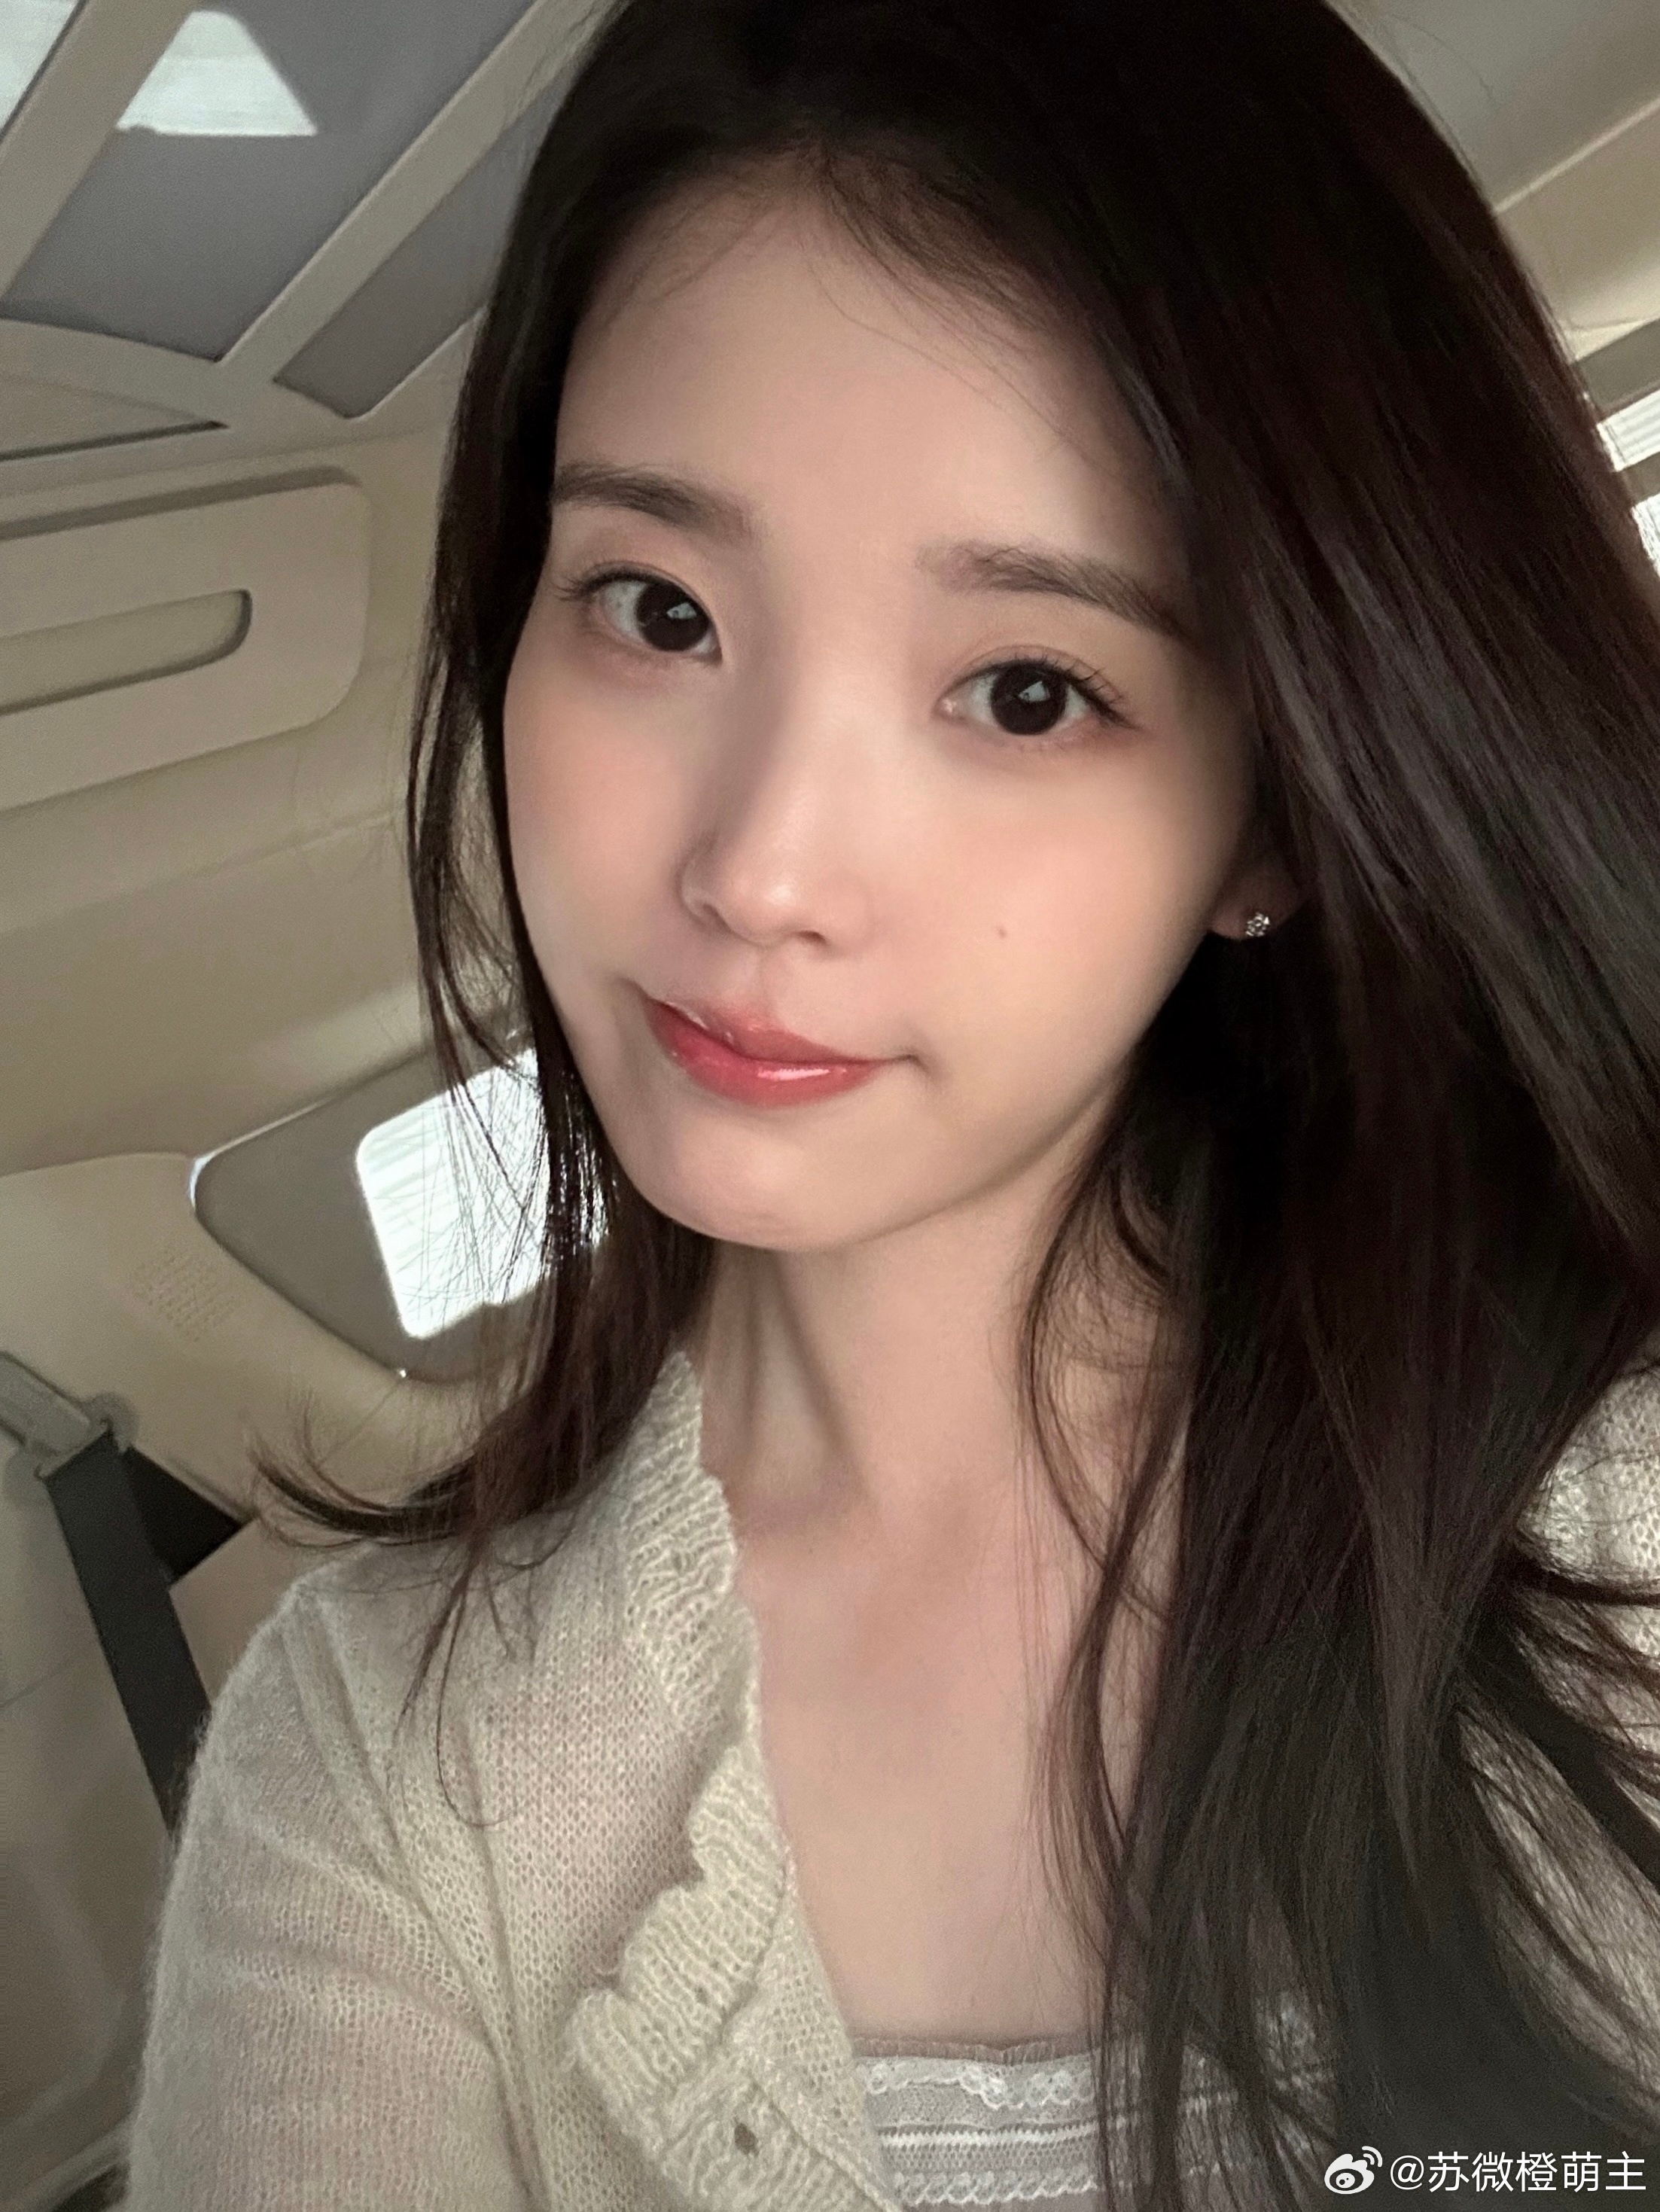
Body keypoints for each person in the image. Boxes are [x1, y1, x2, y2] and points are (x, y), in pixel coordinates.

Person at [120, 0, 1660, 2204]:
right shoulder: (381, 1776)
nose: (759, 871)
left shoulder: (1616, 1539)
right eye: (657, 609)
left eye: (1026, 690)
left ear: (1270, 819)